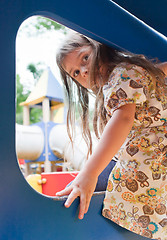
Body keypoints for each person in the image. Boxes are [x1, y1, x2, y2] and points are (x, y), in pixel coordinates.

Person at [56, 32, 167, 240]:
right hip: (153, 157)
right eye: (76, 73)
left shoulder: (120, 75)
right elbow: (159, 72)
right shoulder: (133, 70)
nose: (84, 70)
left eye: (85, 58)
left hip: (149, 163)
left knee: (90, 188)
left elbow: (123, 119)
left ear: (99, 46)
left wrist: (89, 173)